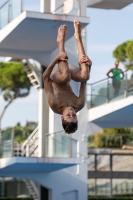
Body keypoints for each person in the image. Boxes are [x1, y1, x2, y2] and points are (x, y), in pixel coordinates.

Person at [43, 20, 92, 134]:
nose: (71, 112)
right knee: (84, 75)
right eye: (74, 115)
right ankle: (78, 37)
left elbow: (45, 77)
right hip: (69, 70)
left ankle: (60, 41)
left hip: (55, 73)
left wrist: (57, 58)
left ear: (62, 117)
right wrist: (89, 64)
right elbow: (85, 81)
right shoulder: (79, 103)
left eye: (68, 116)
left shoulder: (54, 104)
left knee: (65, 76)